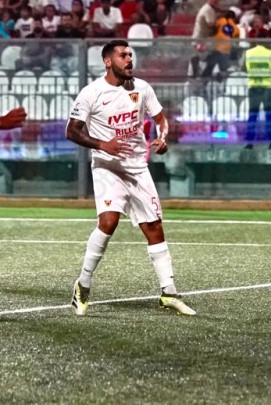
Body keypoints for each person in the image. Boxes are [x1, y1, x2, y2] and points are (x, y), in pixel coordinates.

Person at [66, 39, 195, 316]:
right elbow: (72, 130)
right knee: (109, 222)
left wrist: (162, 137)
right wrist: (103, 145)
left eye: (130, 55)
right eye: (123, 55)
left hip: (137, 167)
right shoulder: (91, 93)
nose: (129, 59)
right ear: (108, 61)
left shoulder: (142, 88)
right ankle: (83, 284)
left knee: (154, 227)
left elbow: (160, 119)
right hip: (107, 166)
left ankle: (169, 293)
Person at [243, 43, 271, 148]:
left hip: (254, 87)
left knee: (252, 116)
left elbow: (244, 69)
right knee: (270, 116)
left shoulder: (248, 53)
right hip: (268, 87)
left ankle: (249, 142)